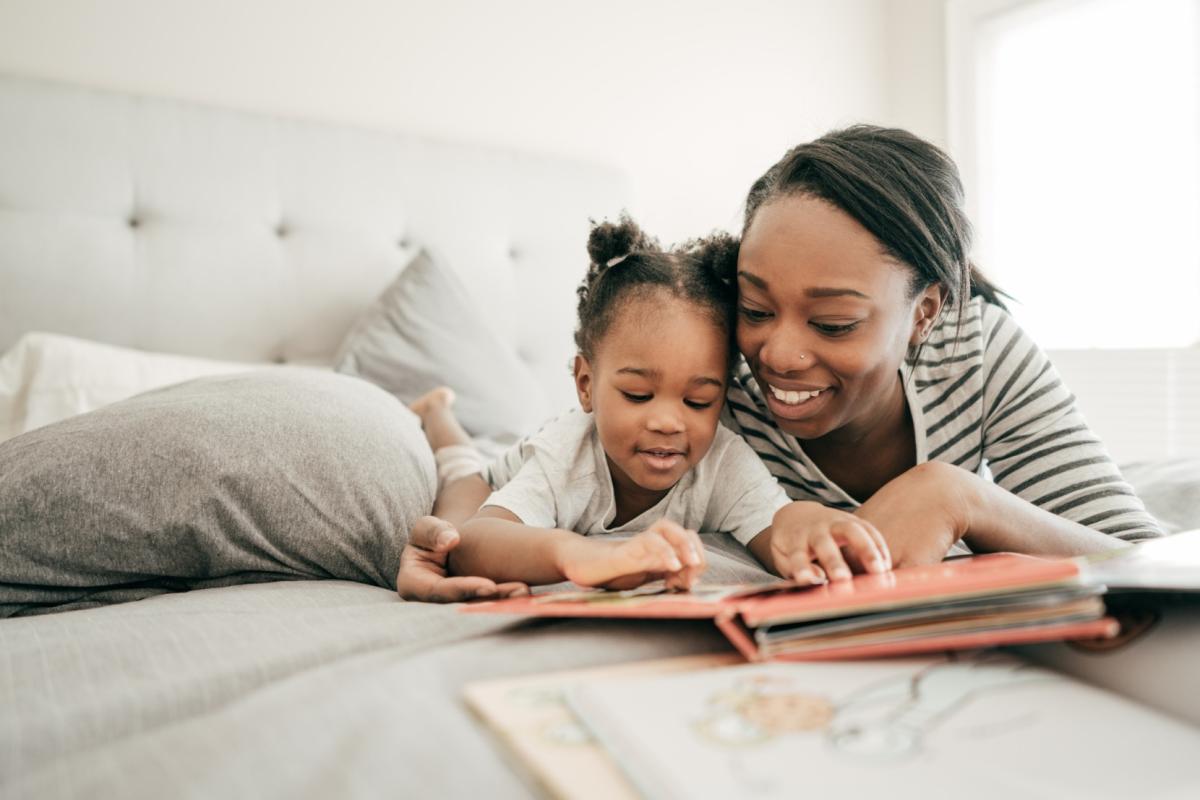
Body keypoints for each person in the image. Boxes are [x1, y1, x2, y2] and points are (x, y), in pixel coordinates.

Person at [398, 125, 1161, 602]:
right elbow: (559, 484)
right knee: (471, 461)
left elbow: (1149, 561)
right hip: (516, 457)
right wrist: (453, 535)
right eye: (755, 308)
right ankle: (442, 419)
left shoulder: (981, 351)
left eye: (833, 321)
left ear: (926, 311)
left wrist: (964, 498)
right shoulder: (704, 383)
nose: (777, 355)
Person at [396, 217, 891, 601]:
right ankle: (439, 414)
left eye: (699, 401)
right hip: (498, 475)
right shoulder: (564, 456)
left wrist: (812, 524)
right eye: (637, 395)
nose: (668, 422)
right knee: (460, 486)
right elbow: (480, 540)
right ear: (586, 384)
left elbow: (775, 522)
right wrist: (578, 555)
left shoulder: (723, 460)